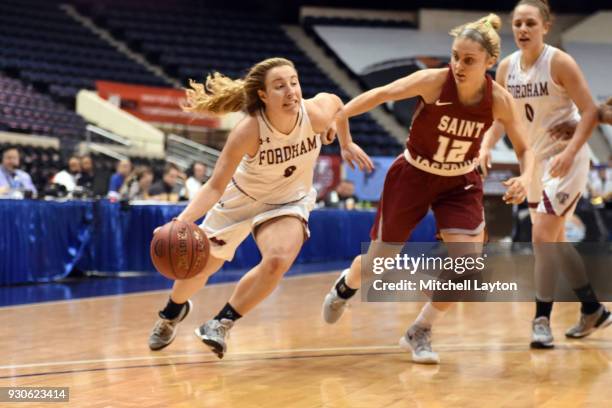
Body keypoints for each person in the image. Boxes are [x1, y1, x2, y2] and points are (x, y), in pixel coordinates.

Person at [321, 14, 535, 364]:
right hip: (414, 174)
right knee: (377, 263)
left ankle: (420, 328)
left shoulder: (499, 100)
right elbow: (380, 94)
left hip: (460, 181)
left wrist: (526, 178)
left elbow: (525, 149)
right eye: (455, 56)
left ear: (489, 63)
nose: (458, 65)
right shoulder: (434, 82)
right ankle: (347, 285)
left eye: (468, 60)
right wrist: (340, 121)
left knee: (467, 266)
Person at [147, 57, 372, 358]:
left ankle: (221, 322)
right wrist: (181, 221)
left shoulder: (313, 114)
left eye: (294, 82)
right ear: (263, 95)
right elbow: (214, 185)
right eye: (279, 86)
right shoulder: (249, 130)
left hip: (288, 199)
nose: (291, 91)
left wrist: (344, 141)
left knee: (278, 260)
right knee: (198, 265)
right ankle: (172, 312)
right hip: (241, 199)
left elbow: (337, 104)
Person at [479, 0, 610, 349]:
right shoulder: (506, 68)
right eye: (518, 23)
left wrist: (569, 153)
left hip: (566, 161)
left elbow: (590, 112)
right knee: (552, 240)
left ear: (546, 27)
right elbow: (501, 118)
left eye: (530, 24)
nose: (523, 29)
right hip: (533, 163)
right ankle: (592, 307)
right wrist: (487, 144)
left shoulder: (560, 62)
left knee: (541, 237)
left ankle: (541, 319)